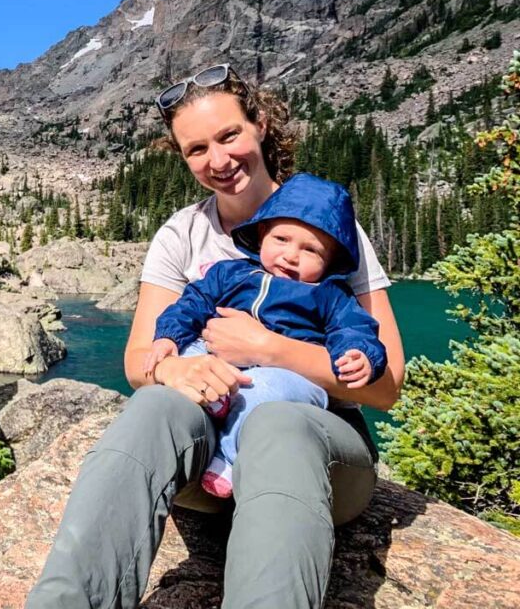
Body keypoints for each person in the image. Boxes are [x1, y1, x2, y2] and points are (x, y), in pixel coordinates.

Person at [24, 64, 405, 609]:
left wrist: (271, 350)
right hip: (204, 468)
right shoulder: (182, 235)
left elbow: (386, 385)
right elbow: (140, 360)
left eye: (229, 135)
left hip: (316, 460)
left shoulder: (331, 225)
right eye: (196, 149)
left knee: (280, 422)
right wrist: (170, 368)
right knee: (154, 409)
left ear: (261, 127)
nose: (219, 160)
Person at [146, 173, 387, 497]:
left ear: (330, 261)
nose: (291, 255)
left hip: (286, 375)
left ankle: (228, 459)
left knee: (267, 392)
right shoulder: (230, 273)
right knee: (189, 356)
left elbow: (355, 329)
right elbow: (193, 302)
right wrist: (169, 338)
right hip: (218, 357)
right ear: (262, 234)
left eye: (311, 250)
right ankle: (215, 402)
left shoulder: (330, 295)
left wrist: (361, 354)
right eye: (282, 240)